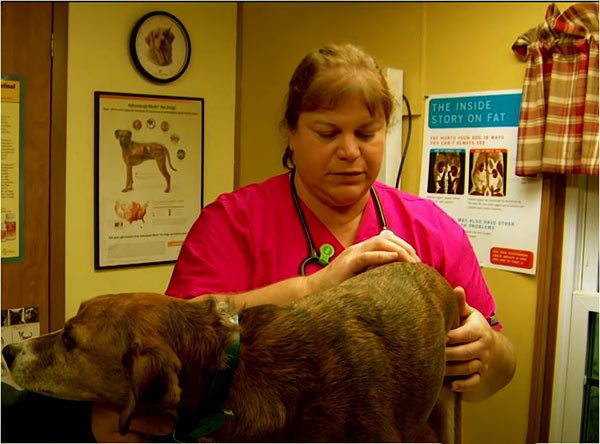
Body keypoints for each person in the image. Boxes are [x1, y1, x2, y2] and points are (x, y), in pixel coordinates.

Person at [4, 43, 516, 442]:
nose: (349, 151)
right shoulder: (231, 222)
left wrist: (485, 353)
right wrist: (317, 285)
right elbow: (180, 341)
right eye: (326, 131)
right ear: (290, 133)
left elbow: (500, 369)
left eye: (367, 132)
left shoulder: (430, 227)